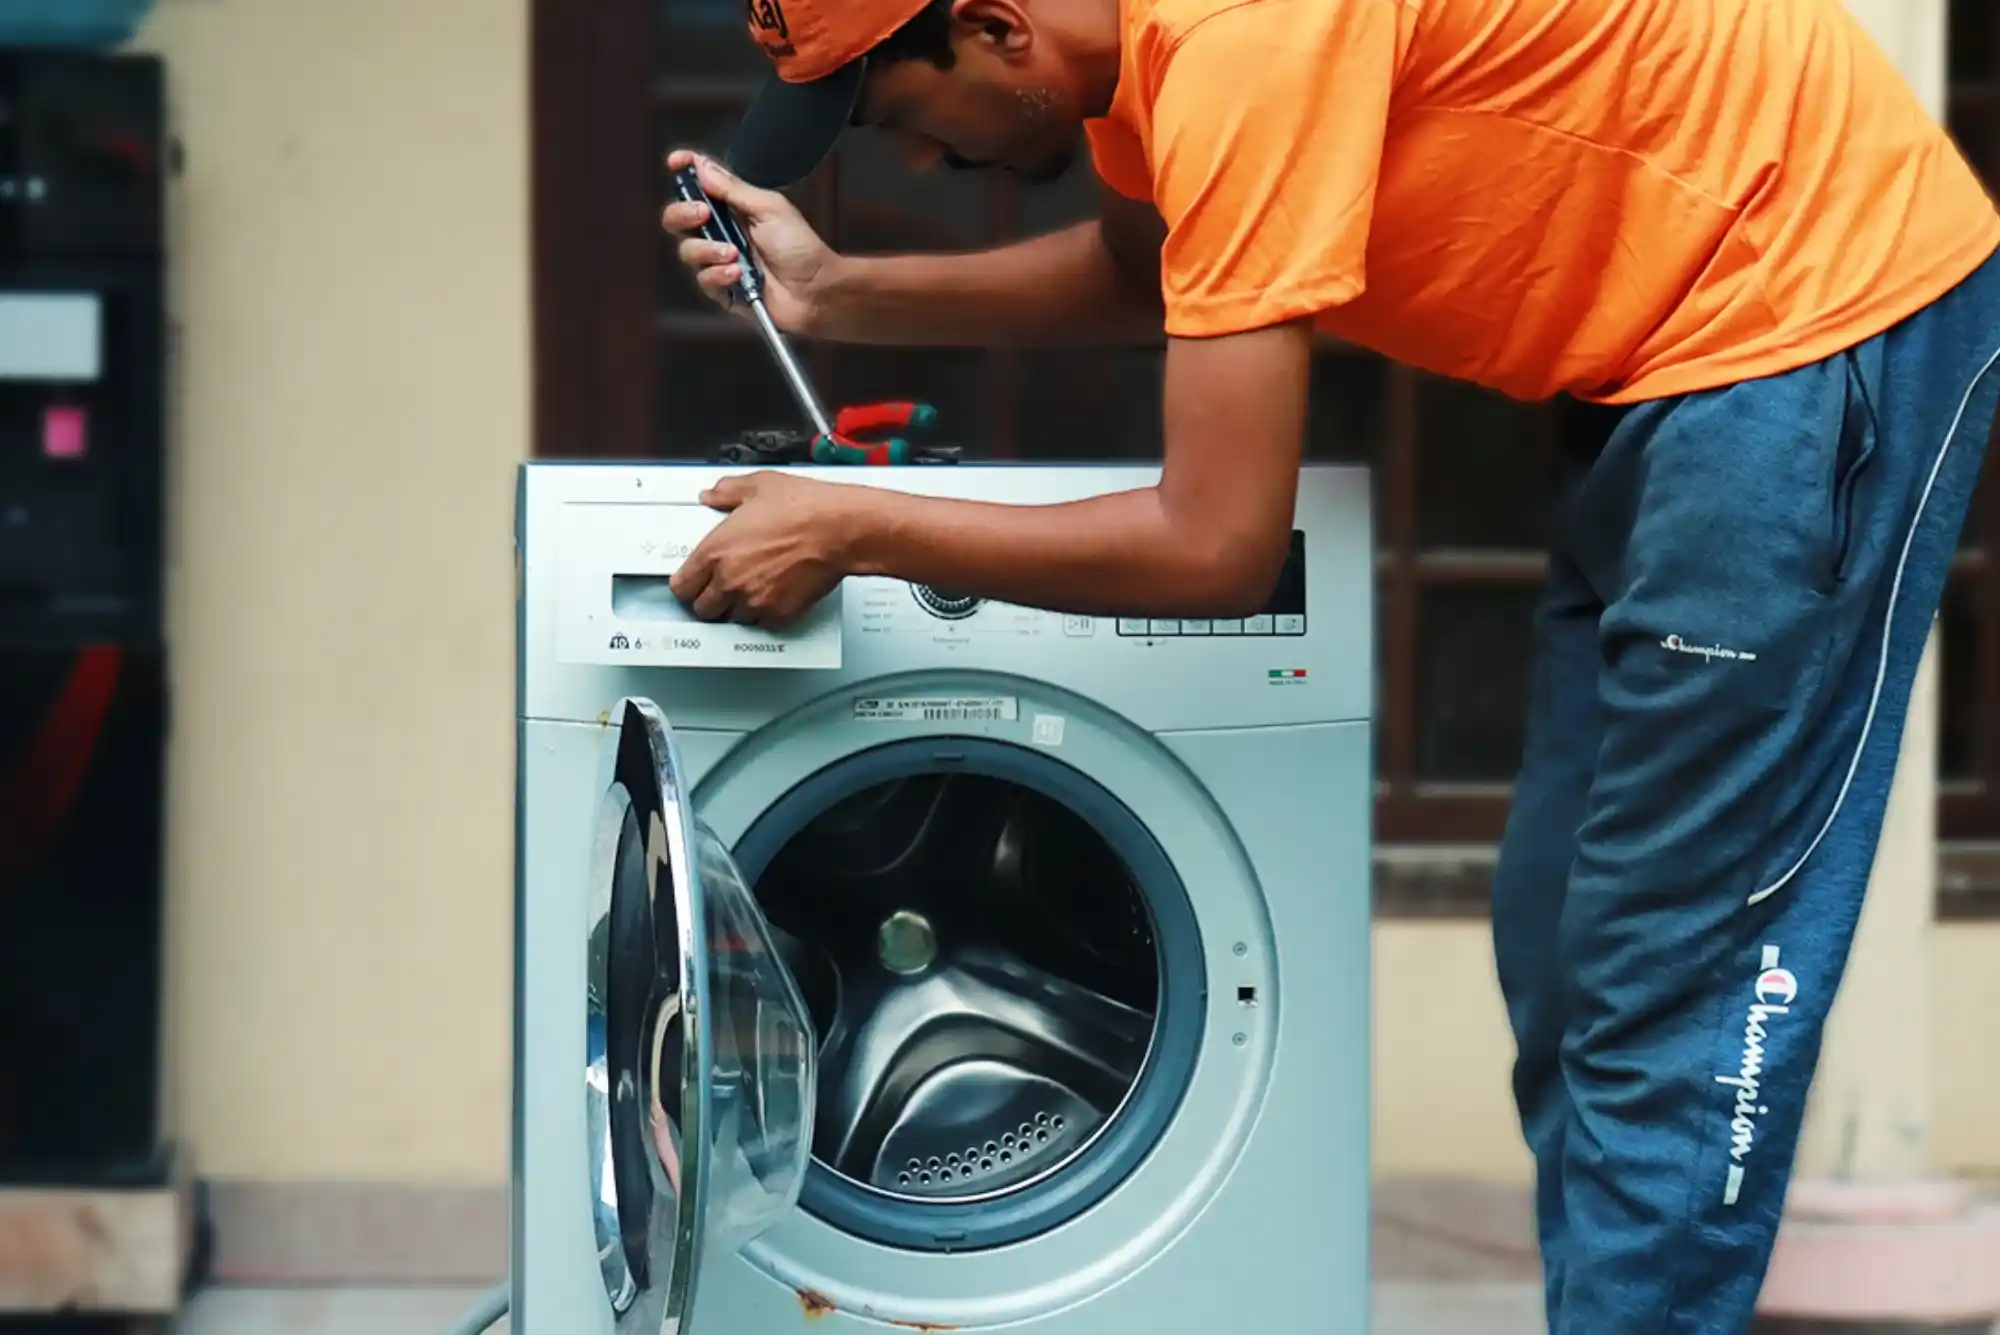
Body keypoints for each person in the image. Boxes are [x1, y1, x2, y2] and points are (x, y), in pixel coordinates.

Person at [661, 0, 1999, 1329]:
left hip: (1810, 316)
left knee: (1673, 973)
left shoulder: (1241, 38)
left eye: (901, 116)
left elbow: (1215, 544)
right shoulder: (1140, 55)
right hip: (1652, 364)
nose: (912, 161)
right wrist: (837, 292)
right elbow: (1159, 272)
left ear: (1000, 28)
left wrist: (859, 528)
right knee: (1565, 952)